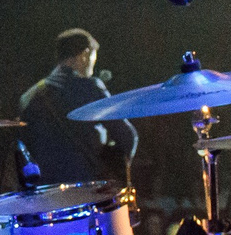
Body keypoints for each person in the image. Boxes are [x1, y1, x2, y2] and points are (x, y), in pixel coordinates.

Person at [15, 29, 139, 188]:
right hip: (86, 190)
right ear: (84, 55)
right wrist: (116, 169)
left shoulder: (29, 96)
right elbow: (127, 136)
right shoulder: (90, 88)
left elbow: (23, 149)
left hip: (44, 193)